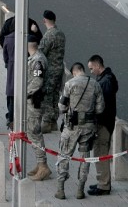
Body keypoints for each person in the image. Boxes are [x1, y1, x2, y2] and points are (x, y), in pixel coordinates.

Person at [55, 62, 105, 200]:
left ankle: (60, 190)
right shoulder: (95, 84)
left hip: (71, 127)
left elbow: (61, 106)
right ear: (83, 70)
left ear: (74, 72)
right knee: (85, 158)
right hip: (88, 129)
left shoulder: (69, 84)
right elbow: (100, 108)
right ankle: (80, 190)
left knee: (64, 156)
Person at [1, 16, 42, 129]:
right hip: (25, 67)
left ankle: (11, 117)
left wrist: (8, 63)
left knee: (11, 93)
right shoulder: (27, 38)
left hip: (11, 67)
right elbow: (38, 44)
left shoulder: (7, 38)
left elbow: (5, 55)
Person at [87, 55, 118, 196]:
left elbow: (101, 105)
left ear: (98, 65)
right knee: (100, 153)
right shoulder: (108, 79)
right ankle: (102, 181)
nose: (91, 71)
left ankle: (104, 185)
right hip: (107, 122)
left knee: (101, 153)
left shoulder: (105, 82)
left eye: (91, 68)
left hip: (103, 124)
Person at [26, 35, 52, 181]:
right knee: (32, 132)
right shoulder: (36, 58)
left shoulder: (37, 60)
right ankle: (40, 162)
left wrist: (25, 92)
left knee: (35, 133)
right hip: (34, 101)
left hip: (35, 102)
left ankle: (43, 166)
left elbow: (37, 82)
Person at [39, 10, 66, 133]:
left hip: (50, 70)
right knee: (55, 95)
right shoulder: (61, 34)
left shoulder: (49, 35)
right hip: (59, 69)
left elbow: (41, 51)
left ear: (44, 20)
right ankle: (54, 122)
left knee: (47, 95)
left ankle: (46, 122)